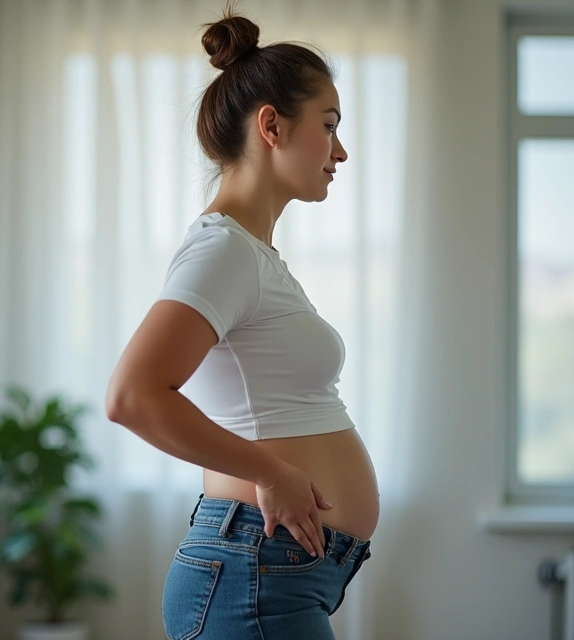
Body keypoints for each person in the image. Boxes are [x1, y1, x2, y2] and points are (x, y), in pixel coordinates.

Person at [105, 6, 378, 639]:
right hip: (254, 571)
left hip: (271, 570)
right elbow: (132, 396)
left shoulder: (249, 254)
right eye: (329, 126)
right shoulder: (223, 250)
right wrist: (271, 471)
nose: (340, 151)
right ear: (272, 126)